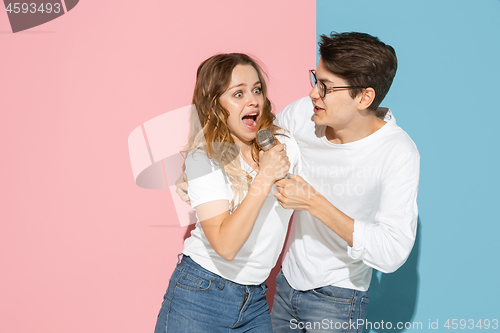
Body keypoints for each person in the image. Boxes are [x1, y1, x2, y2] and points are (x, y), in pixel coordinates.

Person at [176, 32, 420, 333]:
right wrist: (197, 176)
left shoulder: (397, 152)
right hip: (284, 287)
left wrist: (314, 203)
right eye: (316, 79)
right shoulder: (304, 117)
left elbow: (392, 251)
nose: (313, 94)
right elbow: (243, 139)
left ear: (364, 97)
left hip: (339, 297)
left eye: (326, 87)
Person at [154, 53, 301, 333]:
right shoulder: (204, 159)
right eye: (238, 94)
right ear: (215, 106)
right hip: (200, 296)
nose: (253, 100)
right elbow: (226, 245)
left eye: (257, 90)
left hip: (255, 299)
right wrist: (265, 176)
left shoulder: (283, 145)